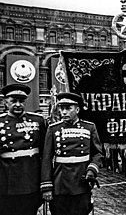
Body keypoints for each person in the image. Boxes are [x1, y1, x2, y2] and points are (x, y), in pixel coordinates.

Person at [40, 92, 103, 215]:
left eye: (68, 108)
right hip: (60, 182)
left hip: (81, 181)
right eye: (61, 108)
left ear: (77, 109)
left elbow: (98, 153)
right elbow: (46, 159)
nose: (64, 112)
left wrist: (92, 169)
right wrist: (46, 186)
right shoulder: (53, 129)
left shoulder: (89, 127)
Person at [0, 84, 47, 215]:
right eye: (13, 101)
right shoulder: (1, 121)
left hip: (30, 179)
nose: (18, 104)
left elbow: (45, 153)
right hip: (6, 181)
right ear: (5, 101)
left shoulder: (38, 121)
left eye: (21, 101)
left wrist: (45, 181)